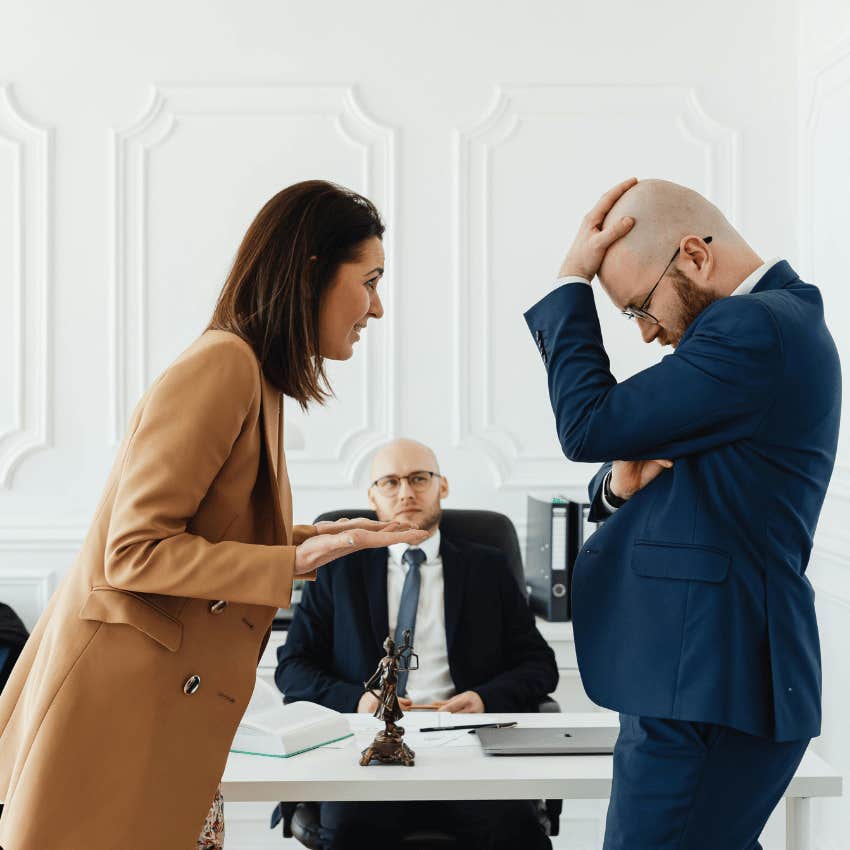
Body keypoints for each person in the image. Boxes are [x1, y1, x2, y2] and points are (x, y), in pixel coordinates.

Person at [0, 180, 428, 850]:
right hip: (120, 722)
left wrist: (323, 538)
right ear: (312, 270)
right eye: (369, 280)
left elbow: (207, 531)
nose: (376, 307)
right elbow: (133, 551)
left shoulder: (255, 374)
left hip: (161, 716)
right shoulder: (223, 365)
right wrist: (294, 559)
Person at [524, 178, 841, 850]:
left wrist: (571, 279)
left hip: (708, 687)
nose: (647, 335)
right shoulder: (767, 333)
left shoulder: (751, 326)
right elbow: (667, 484)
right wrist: (617, 488)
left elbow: (589, 423)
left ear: (694, 256)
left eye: (640, 308)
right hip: (705, 681)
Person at [277, 437, 558, 850]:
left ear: (442, 486)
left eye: (419, 478)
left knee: (518, 833)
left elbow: (539, 666)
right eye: (390, 482)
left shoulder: (487, 567)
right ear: (372, 496)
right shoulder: (338, 571)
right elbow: (293, 667)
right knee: (349, 831)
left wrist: (483, 697)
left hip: (466, 751)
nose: (406, 492)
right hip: (368, 752)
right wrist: (360, 700)